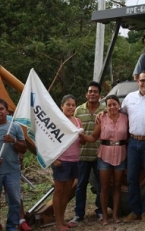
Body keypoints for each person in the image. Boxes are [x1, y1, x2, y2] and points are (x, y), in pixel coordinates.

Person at [0, 96, 32, 231]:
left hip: (12, 171)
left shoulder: (15, 127)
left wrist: (13, 141)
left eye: (1, 109)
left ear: (7, 111)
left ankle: (11, 226)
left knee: (14, 200)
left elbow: (24, 148)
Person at [80, 95, 128, 225]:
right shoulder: (102, 118)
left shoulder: (125, 118)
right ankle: (105, 216)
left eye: (114, 104)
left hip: (120, 154)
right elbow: (93, 137)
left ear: (119, 105)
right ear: (106, 107)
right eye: (109, 105)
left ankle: (116, 215)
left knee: (118, 186)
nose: (112, 107)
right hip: (105, 155)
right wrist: (80, 135)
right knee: (105, 187)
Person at [121, 71, 145, 223]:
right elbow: (119, 113)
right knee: (131, 178)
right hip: (133, 142)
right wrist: (102, 114)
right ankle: (135, 211)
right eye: (143, 80)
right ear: (137, 81)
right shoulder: (129, 98)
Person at [71, 82, 106, 223]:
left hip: (100, 154)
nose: (92, 93)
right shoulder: (78, 110)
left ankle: (100, 211)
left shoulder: (105, 110)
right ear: (86, 94)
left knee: (101, 185)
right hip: (82, 154)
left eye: (95, 91)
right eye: (90, 91)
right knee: (80, 186)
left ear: (100, 95)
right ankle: (79, 213)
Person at [51, 95, 81, 231]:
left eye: (73, 105)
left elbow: (81, 141)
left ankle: (62, 220)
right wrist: (53, 158)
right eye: (68, 104)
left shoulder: (78, 121)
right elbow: (48, 141)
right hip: (61, 161)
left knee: (67, 192)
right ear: (61, 106)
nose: (71, 107)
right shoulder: (56, 122)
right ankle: (58, 223)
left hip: (74, 160)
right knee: (59, 191)